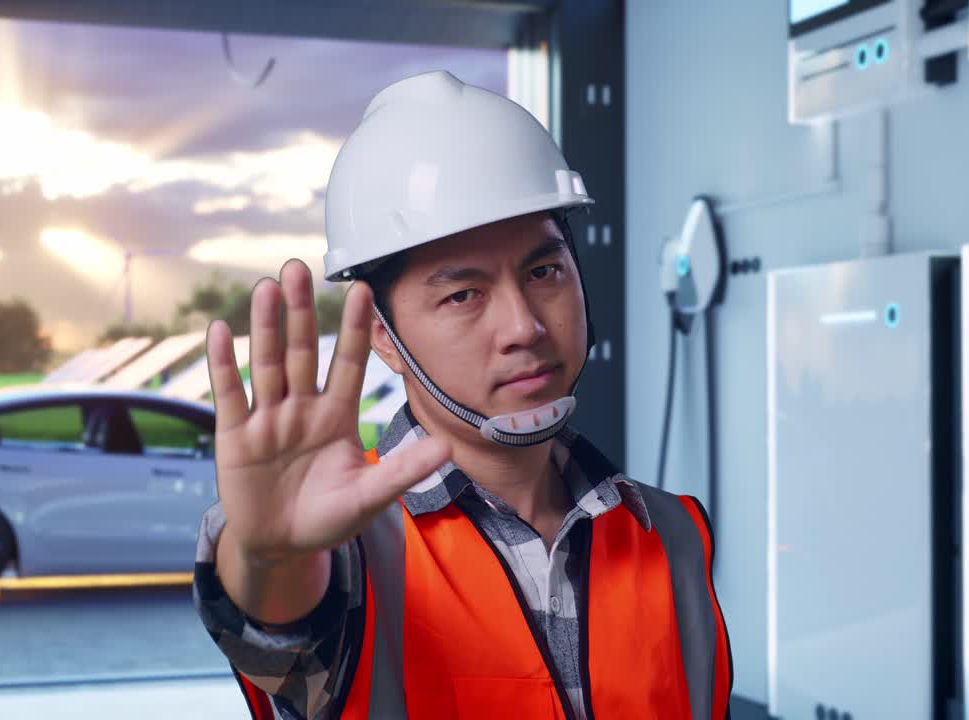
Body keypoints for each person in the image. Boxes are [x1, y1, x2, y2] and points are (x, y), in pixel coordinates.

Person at [195, 70, 732, 720]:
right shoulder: (347, 552)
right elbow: (277, 614)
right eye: (462, 294)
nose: (524, 327)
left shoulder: (672, 533)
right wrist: (267, 555)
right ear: (383, 338)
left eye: (545, 271)